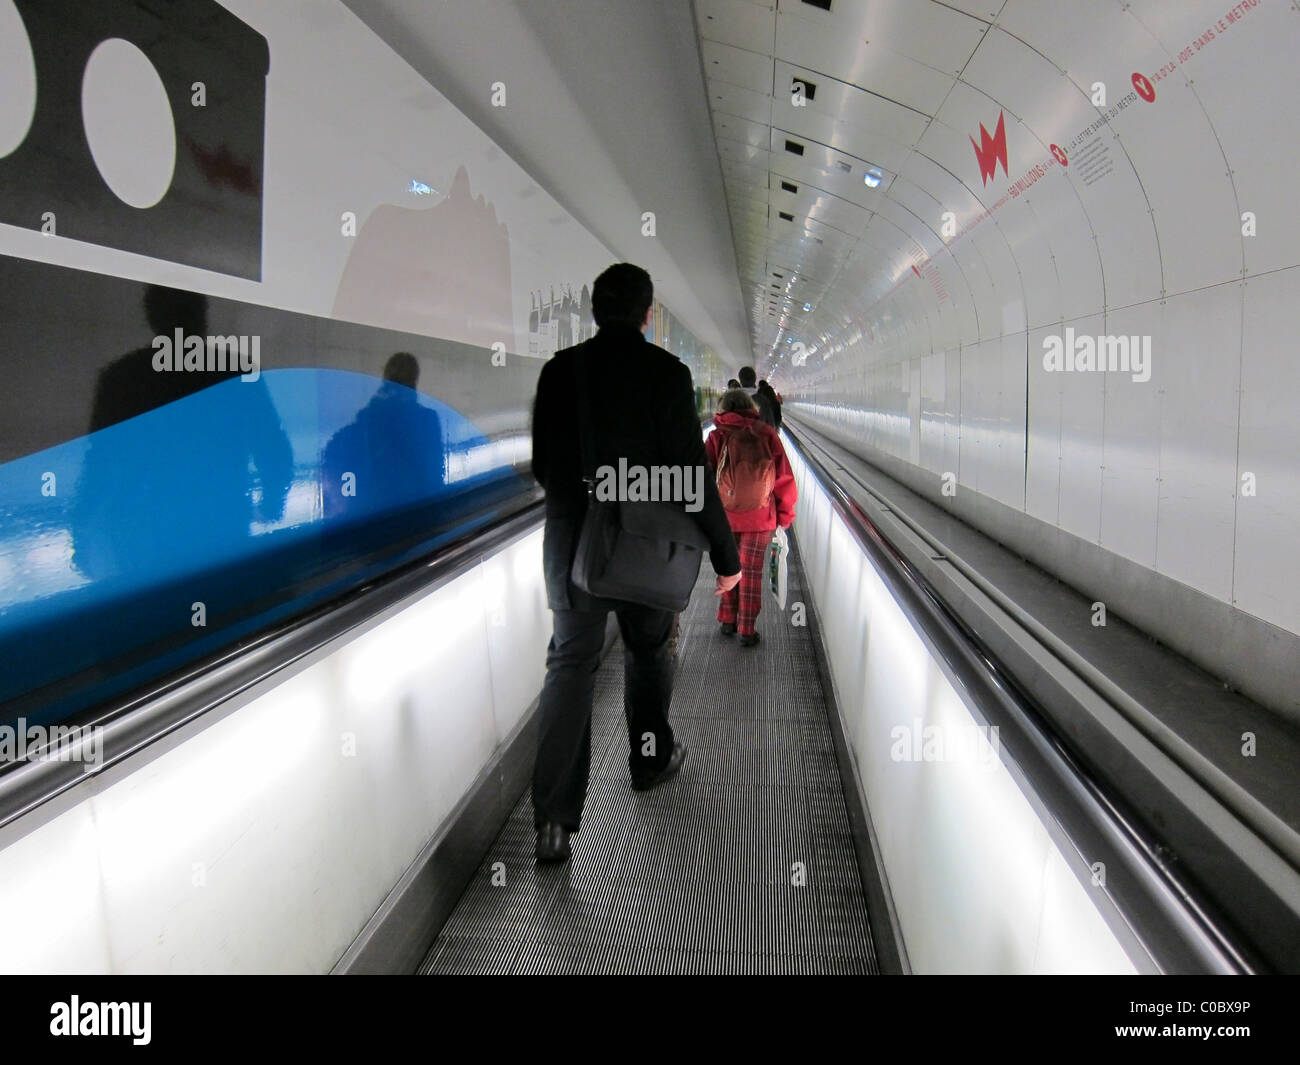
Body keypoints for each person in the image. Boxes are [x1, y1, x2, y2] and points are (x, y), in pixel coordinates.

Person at [529, 263, 742, 863]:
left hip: (574, 547)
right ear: (649, 315)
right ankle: (649, 761)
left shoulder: (560, 371)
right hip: (646, 549)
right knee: (650, 652)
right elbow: (690, 474)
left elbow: (546, 467)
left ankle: (553, 821)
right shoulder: (667, 374)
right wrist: (725, 555)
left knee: (571, 666)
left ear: (594, 310)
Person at [705, 389, 796, 647]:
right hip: (760, 517)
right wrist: (785, 516)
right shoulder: (766, 434)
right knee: (751, 571)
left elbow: (704, 476)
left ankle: (727, 618)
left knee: (728, 565)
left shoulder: (716, 436)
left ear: (723, 408)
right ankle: (747, 628)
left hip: (724, 518)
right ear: (750, 407)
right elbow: (783, 479)